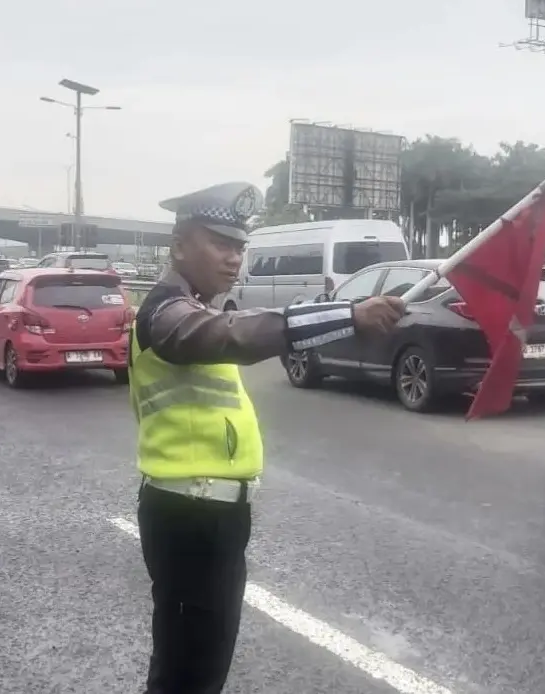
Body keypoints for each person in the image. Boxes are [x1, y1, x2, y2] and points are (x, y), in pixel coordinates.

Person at [129, 181, 404, 693]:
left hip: (211, 513)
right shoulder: (164, 312)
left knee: (197, 672)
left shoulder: (195, 307)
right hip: (188, 514)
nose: (234, 258)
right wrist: (345, 314)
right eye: (220, 243)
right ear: (180, 244)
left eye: (240, 246)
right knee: (187, 675)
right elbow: (233, 334)